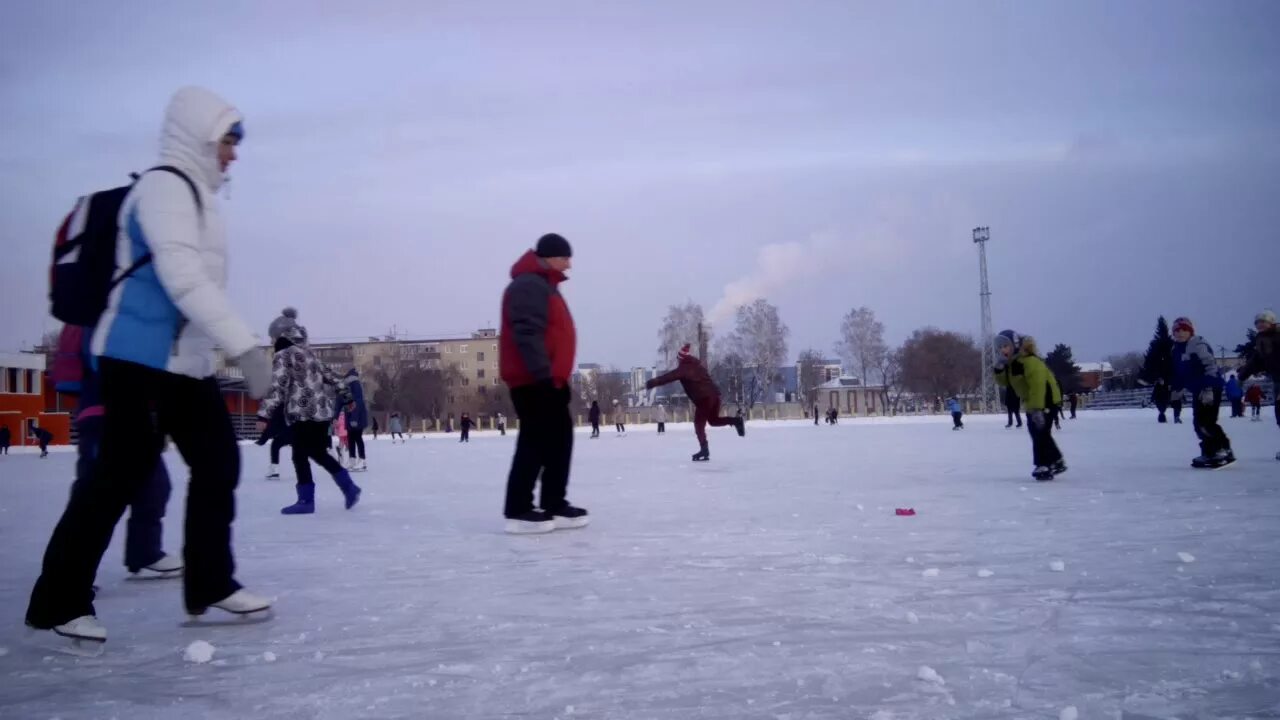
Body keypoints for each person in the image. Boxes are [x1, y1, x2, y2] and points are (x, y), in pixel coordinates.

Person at [26, 87, 273, 645]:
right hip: (135, 358)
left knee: (217, 462)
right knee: (117, 475)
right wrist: (245, 347)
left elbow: (198, 288)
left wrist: (220, 348)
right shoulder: (164, 188)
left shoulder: (203, 199)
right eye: (229, 140)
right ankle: (58, 601)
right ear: (200, 137)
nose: (235, 153)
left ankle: (210, 582)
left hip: (182, 362)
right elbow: (183, 279)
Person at [499, 233, 588, 534]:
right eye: (565, 257)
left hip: (550, 378)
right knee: (535, 441)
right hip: (533, 379)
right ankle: (518, 508)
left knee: (560, 439)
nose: (569, 264)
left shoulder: (545, 286)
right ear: (549, 256)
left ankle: (554, 502)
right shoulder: (528, 284)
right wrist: (543, 376)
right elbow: (526, 333)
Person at [257, 309, 362, 514]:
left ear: (280, 335)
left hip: (302, 413)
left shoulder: (283, 355)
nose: (271, 342)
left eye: (272, 337)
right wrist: (348, 399)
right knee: (314, 452)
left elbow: (277, 386)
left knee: (302, 455)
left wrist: (264, 414)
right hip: (322, 413)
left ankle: (308, 500)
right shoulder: (309, 355)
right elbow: (335, 378)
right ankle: (347, 487)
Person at [646, 344, 745, 462]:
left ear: (681, 359)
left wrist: (651, 383)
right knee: (713, 421)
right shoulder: (698, 366)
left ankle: (704, 449)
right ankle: (736, 421)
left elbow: (668, 377)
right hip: (715, 395)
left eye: (678, 359)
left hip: (704, 399)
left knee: (699, 425)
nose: (677, 361)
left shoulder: (684, 368)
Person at [993, 330, 1066, 481]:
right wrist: (999, 369)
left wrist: (1037, 409)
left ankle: (1043, 464)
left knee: (1039, 432)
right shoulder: (1012, 364)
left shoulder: (1030, 361)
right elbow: (1004, 383)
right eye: (1000, 347)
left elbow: (1038, 386)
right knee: (1038, 432)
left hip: (1046, 400)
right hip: (1032, 402)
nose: (1002, 350)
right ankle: (1056, 460)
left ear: (1015, 345)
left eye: (1005, 346)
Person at [1170, 317, 1233, 469]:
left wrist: (1209, 388)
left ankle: (1224, 450)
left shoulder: (1198, 344)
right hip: (1197, 389)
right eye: (1176, 331)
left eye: (1183, 330)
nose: (1180, 333)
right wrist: (1176, 389)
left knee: (1207, 422)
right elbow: (1179, 373)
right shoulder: (1176, 349)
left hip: (1210, 388)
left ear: (1190, 331)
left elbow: (1210, 365)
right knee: (1198, 423)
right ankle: (1209, 452)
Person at [1237, 309, 1278, 459]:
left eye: (1263, 321)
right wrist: (1242, 376)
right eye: (1258, 322)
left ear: (1271, 322)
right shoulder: (1261, 339)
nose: (1260, 325)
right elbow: (1256, 361)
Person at [255, 406, 291, 480]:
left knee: (275, 444)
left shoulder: (278, 408)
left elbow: (272, 427)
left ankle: (274, 470)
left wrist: (262, 440)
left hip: (290, 432)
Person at [344, 368, 368, 471]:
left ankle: (362, 460)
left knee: (357, 438)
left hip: (357, 417)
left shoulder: (355, 384)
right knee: (351, 439)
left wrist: (354, 418)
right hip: (351, 417)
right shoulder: (350, 385)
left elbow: (357, 401)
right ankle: (352, 459)